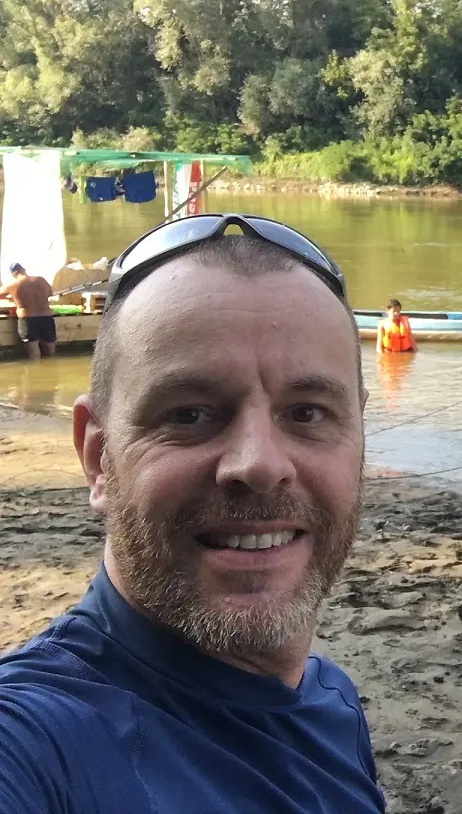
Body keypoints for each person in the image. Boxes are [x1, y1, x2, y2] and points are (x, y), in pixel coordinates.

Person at [0, 214, 386, 812]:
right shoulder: (36, 740)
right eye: (188, 415)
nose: (259, 465)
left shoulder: (331, 698)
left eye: (308, 413)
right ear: (99, 457)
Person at [0, 262, 57, 361]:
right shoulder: (41, 280)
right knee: (50, 346)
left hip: (28, 318)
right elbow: (50, 293)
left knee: (33, 348)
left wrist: (13, 297)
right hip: (46, 316)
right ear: (24, 270)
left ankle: (35, 371)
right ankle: (52, 367)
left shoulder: (11, 285)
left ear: (13, 274)